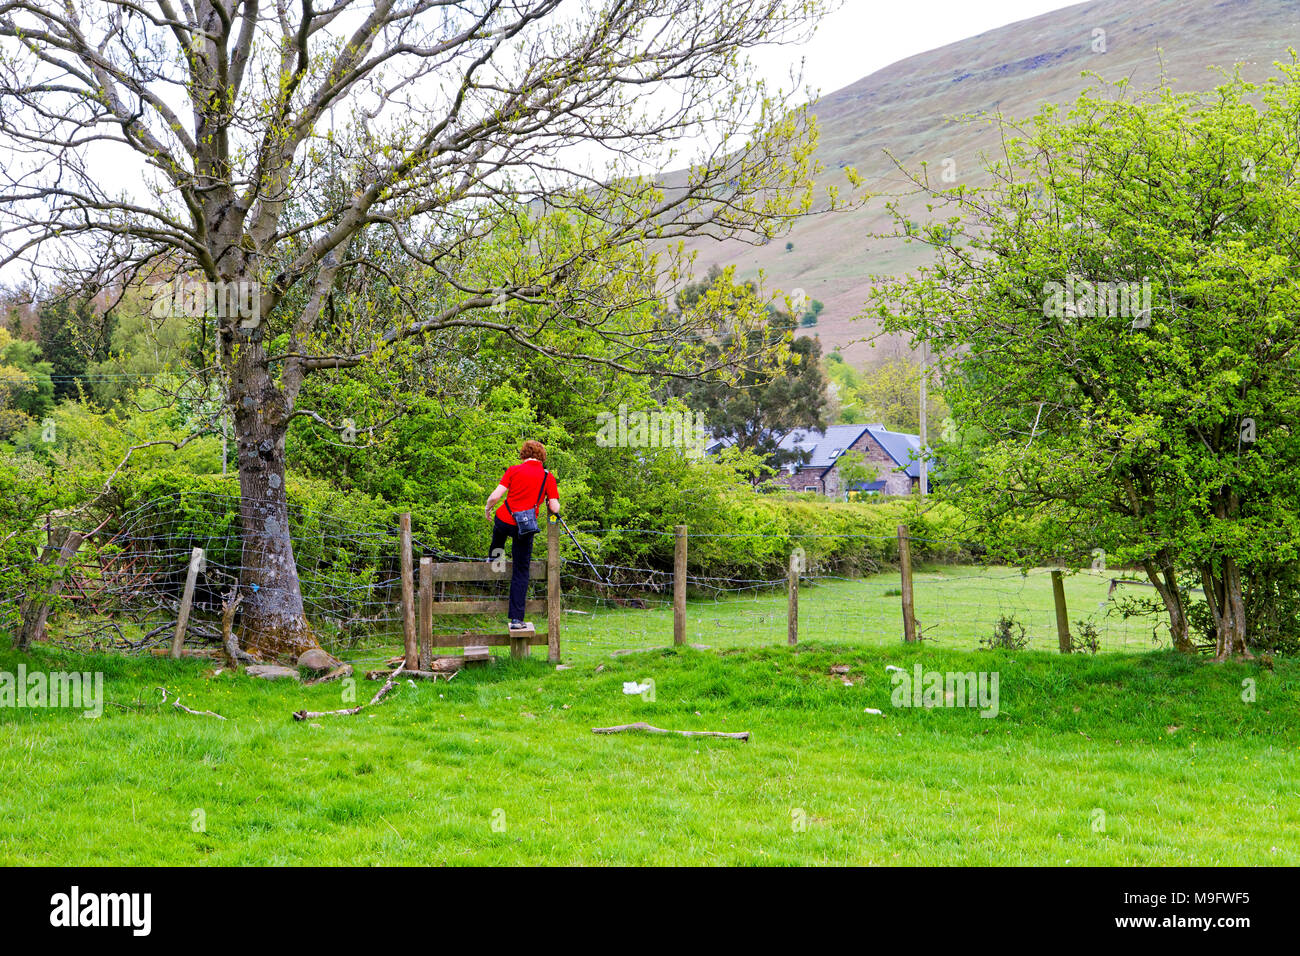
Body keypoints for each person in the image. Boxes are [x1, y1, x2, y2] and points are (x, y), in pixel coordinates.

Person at [484, 440, 560, 630]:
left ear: (524, 454)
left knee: (498, 532)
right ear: (542, 456)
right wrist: (553, 506)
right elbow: (554, 506)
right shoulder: (547, 477)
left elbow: (496, 496)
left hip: (505, 518)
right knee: (521, 571)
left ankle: (495, 559)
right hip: (524, 527)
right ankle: (517, 619)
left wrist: (488, 508)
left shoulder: (513, 470)